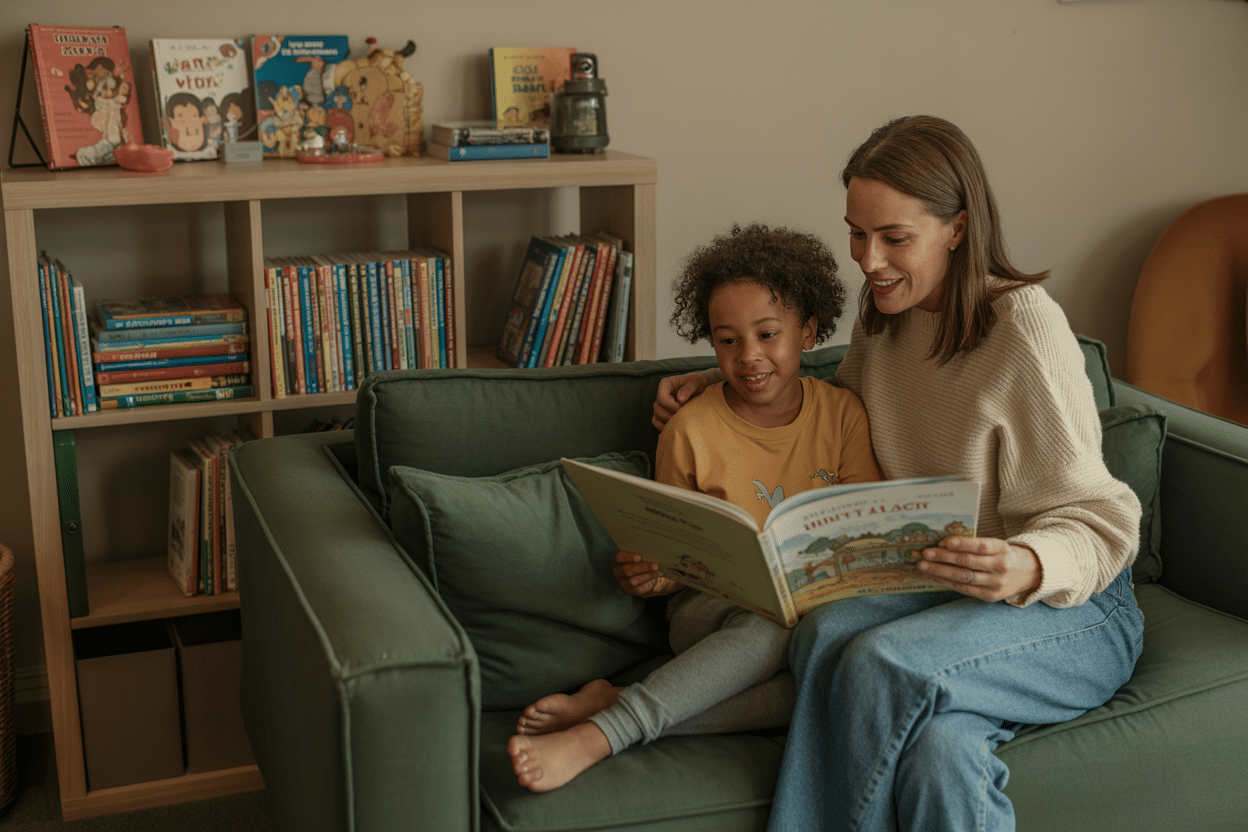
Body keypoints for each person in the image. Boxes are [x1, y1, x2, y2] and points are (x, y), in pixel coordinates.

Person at [652, 116, 1145, 832]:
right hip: (944, 597)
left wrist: (1026, 561)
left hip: (1069, 607)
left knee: (883, 661)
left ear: (957, 228)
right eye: (857, 233)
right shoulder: (887, 315)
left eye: (894, 238)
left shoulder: (1024, 328)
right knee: (917, 729)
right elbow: (837, 402)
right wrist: (727, 378)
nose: (868, 260)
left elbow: (1104, 521)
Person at [508, 222, 883, 793]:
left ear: (808, 333)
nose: (748, 356)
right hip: (709, 616)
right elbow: (670, 556)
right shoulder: (690, 428)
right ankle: (599, 737)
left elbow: (866, 530)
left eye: (767, 335)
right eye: (727, 340)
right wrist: (648, 574)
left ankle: (618, 705)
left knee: (826, 688)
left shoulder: (843, 415)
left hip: (812, 617)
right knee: (772, 629)